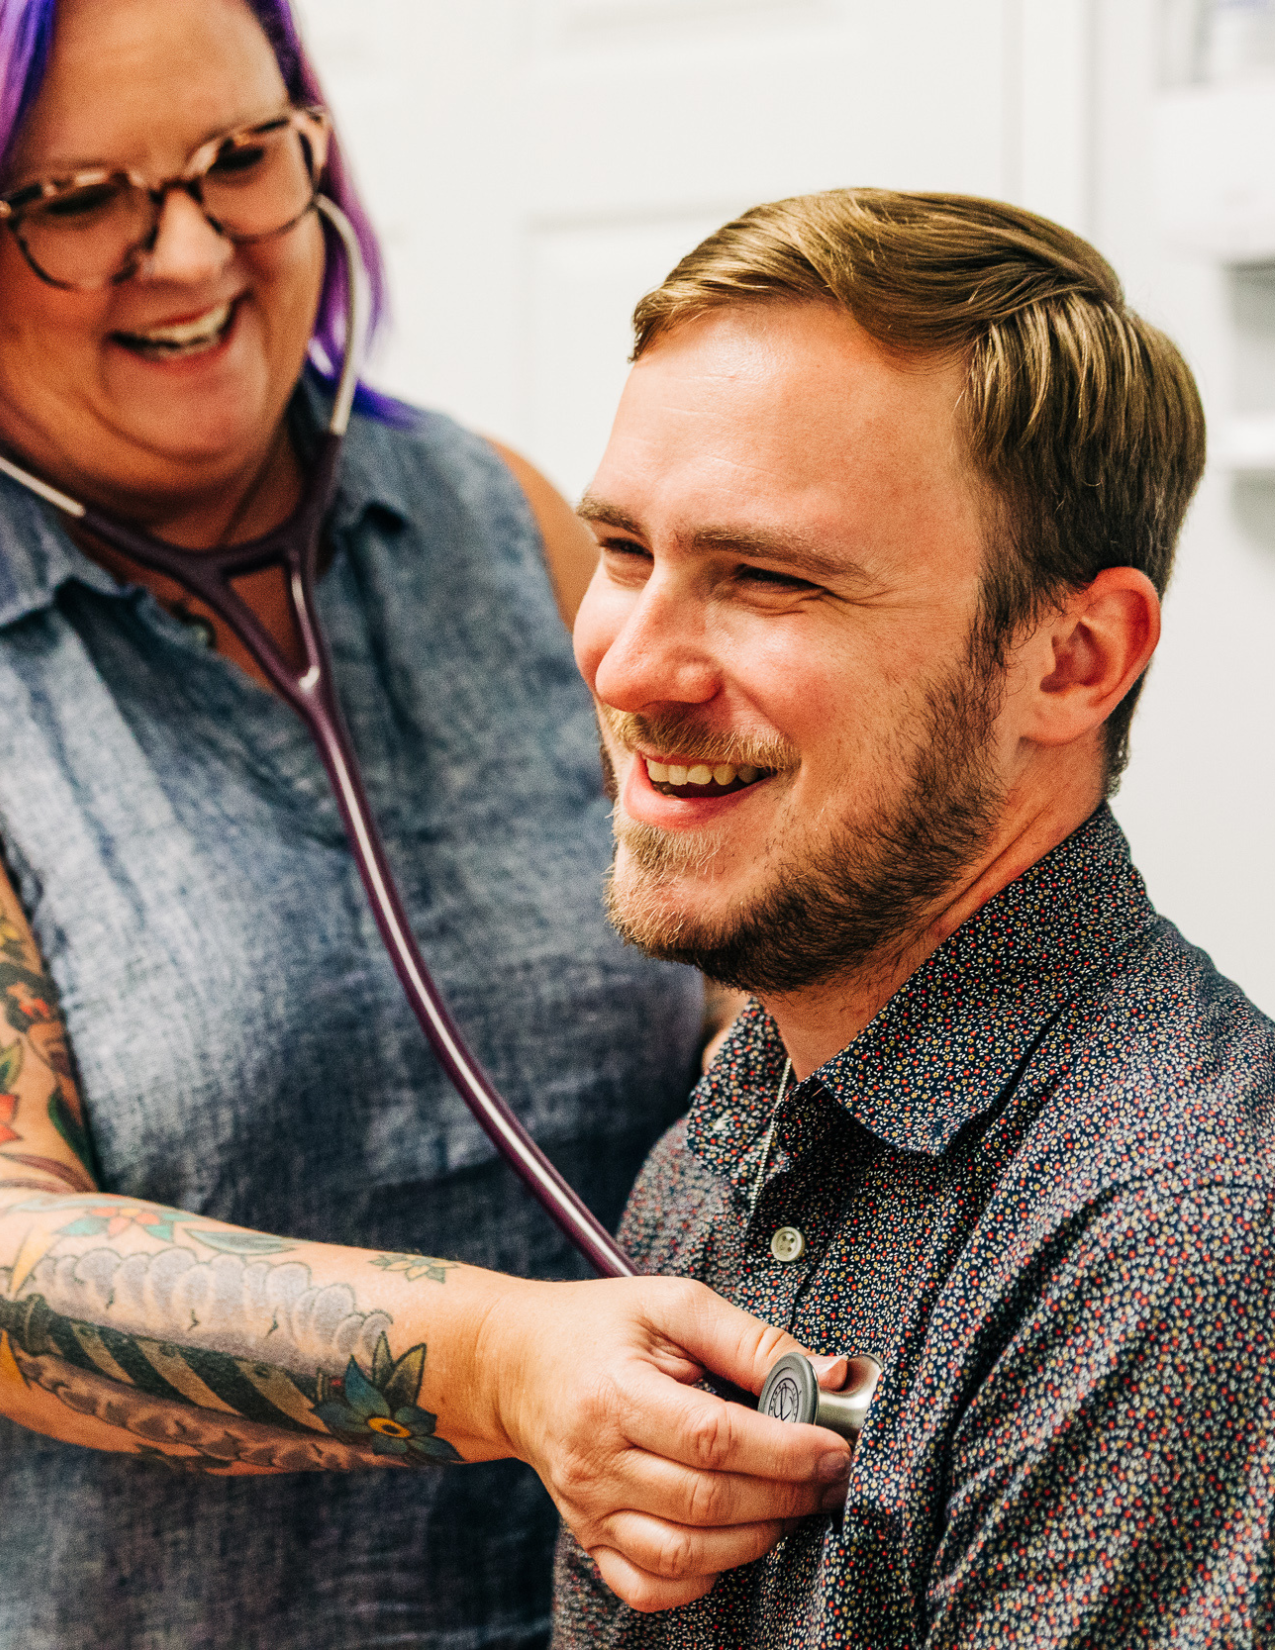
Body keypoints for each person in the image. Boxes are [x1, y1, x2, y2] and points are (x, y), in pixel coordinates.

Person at [0, 3, 857, 1646]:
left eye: (240, 160)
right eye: (77, 199)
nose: (184, 254)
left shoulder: (497, 521)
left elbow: (742, 965)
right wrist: (495, 1362)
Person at [552, 190, 1275, 1646]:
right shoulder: (720, 1143)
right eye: (624, 550)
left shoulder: (1184, 1240)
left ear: (1071, 659)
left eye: (764, 577)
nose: (630, 665)